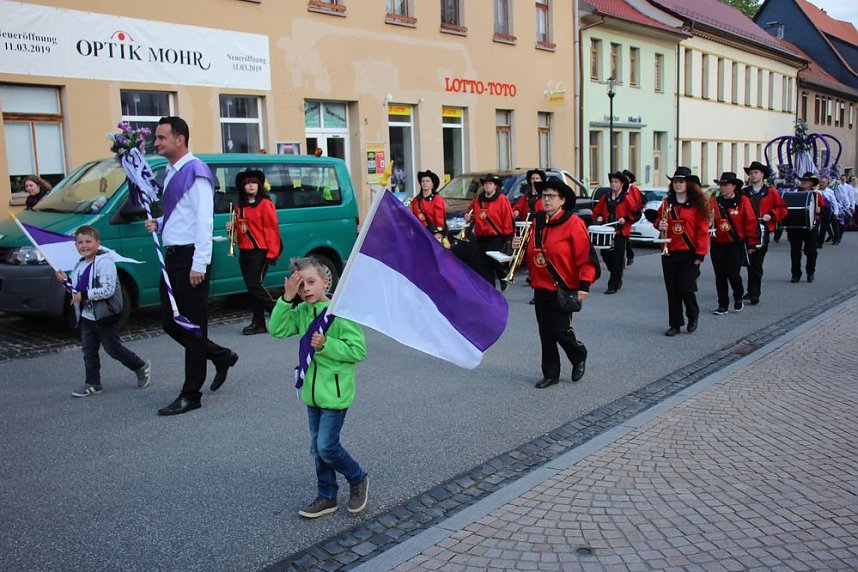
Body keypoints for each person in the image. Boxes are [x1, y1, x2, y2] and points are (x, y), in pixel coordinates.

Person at [145, 116, 238, 416]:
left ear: (179, 139)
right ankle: (220, 356)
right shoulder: (172, 172)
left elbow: (203, 220)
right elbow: (181, 215)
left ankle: (191, 393)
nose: (156, 143)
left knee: (193, 326)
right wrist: (158, 223)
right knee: (171, 323)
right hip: (173, 256)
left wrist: (199, 263)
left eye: (161, 138)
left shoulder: (195, 172)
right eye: (156, 138)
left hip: (189, 259)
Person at [268, 257, 369, 518]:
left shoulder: (340, 313)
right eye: (301, 286)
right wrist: (286, 299)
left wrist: (326, 345)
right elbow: (277, 330)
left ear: (326, 282)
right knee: (316, 448)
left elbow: (358, 350)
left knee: (327, 446)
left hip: (335, 394)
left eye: (311, 282)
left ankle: (357, 477)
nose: (307, 290)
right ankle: (327, 496)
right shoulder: (301, 312)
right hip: (311, 394)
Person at [514, 177, 599, 388]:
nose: (546, 200)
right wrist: (519, 247)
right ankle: (551, 373)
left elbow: (585, 257)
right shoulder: (538, 221)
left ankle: (579, 354)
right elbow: (534, 255)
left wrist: (584, 284)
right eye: (544, 196)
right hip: (540, 287)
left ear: (562, 200)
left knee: (560, 329)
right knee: (545, 332)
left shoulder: (573, 223)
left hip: (563, 287)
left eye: (551, 196)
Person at [55, 226, 151, 397]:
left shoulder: (105, 263)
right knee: (89, 350)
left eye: (88, 242)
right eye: (80, 242)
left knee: (113, 348)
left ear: (97, 243)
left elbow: (107, 290)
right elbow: (76, 290)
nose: (84, 246)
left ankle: (140, 366)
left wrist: (84, 295)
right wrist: (65, 281)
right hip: (87, 316)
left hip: (105, 315)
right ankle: (93, 383)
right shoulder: (79, 265)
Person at [654, 167, 710, 337]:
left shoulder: (696, 205)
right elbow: (658, 219)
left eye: (681, 182)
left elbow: (702, 230)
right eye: (675, 182)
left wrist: (700, 254)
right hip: (670, 251)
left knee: (685, 287)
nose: (677, 185)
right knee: (672, 289)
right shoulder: (667, 203)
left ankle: (693, 314)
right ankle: (675, 324)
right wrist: (659, 225)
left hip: (689, 253)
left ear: (688, 184)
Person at [226, 169, 282, 335]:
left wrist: (272, 254)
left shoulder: (265, 204)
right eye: (246, 183)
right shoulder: (240, 206)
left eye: (253, 182)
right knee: (252, 288)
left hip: (261, 251)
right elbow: (241, 229)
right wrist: (231, 227)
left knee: (254, 284)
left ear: (259, 185)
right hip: (245, 251)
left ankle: (277, 311)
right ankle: (258, 323)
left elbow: (272, 229)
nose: (250, 186)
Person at [710, 172, 759, 315]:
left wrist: (751, 244)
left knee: (733, 273)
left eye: (726, 185)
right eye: (721, 185)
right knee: (720, 275)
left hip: (735, 243)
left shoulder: (743, 201)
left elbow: (750, 222)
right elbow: (707, 218)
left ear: (733, 186)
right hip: (717, 243)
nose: (723, 188)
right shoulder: (714, 201)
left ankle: (738, 296)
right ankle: (722, 304)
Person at [741, 161, 787, 305]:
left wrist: (771, 215)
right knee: (748, 261)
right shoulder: (744, 192)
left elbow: (782, 208)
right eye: (751, 173)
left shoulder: (771, 192)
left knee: (757, 263)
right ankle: (750, 290)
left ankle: (755, 293)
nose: (753, 175)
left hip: (762, 230)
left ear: (762, 175)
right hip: (746, 231)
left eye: (756, 172)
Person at [463, 174, 514, 289]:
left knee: (496, 262)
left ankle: (502, 276)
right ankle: (491, 289)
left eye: (490, 183)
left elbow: (507, 218)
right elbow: (471, 212)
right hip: (481, 237)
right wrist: (467, 215)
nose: (487, 186)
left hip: (495, 237)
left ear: (495, 186)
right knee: (484, 265)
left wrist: (508, 237)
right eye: (485, 183)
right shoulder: (478, 199)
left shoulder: (501, 199)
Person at [592, 171, 635, 294]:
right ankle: (616, 275)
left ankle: (613, 285)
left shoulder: (627, 198)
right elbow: (597, 211)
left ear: (621, 184)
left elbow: (635, 213)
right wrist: (599, 216)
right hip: (607, 232)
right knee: (606, 256)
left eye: (616, 182)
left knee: (618, 259)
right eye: (612, 182)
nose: (613, 184)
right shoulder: (605, 197)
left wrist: (625, 219)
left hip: (620, 233)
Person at [784, 173, 823, 283]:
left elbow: (825, 211)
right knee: (795, 251)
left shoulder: (816, 195)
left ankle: (810, 272)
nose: (804, 182)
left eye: (807, 181)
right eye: (803, 180)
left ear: (811, 183)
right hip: (795, 227)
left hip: (810, 227)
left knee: (811, 251)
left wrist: (820, 210)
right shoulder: (793, 194)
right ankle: (795, 274)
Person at [410, 169, 448, 241]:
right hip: (419, 234)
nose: (425, 183)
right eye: (423, 181)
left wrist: (439, 234)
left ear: (432, 184)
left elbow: (439, 218)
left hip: (433, 234)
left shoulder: (437, 199)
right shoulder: (416, 200)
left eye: (427, 181)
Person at [621, 169, 644, 266]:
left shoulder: (634, 190)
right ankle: (626, 255)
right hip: (620, 215)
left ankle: (629, 255)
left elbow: (638, 203)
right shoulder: (619, 188)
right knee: (624, 236)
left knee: (625, 235)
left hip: (631, 215)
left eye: (626, 177)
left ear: (630, 179)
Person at [816, 176, 839, 247]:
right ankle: (816, 240)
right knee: (815, 227)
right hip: (817, 211)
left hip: (826, 212)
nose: (821, 184)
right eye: (820, 182)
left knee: (824, 228)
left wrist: (836, 212)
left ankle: (820, 243)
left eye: (823, 182)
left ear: (827, 183)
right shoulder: (817, 191)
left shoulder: (830, 192)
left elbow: (834, 202)